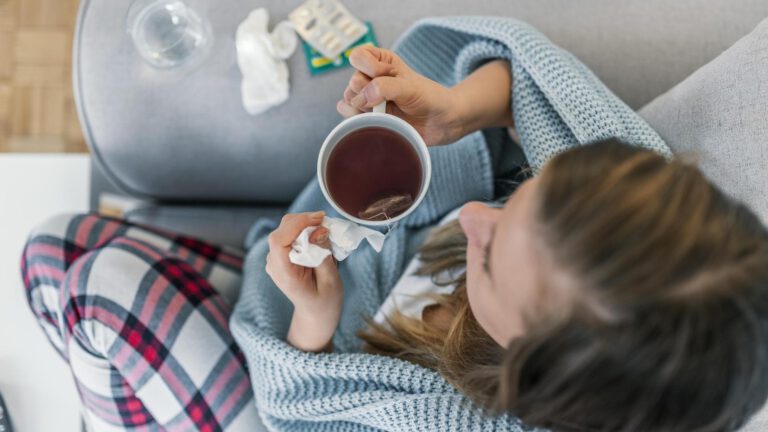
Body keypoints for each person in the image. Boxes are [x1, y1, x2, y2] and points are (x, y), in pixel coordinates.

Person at [21, 44, 768, 431]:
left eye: (492, 258)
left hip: (284, 379)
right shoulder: (622, 209)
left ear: (533, 379)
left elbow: (306, 414)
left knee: (88, 291)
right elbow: (536, 86)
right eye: (523, 197)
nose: (475, 215)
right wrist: (455, 110)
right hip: (287, 287)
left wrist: (313, 320)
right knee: (53, 249)